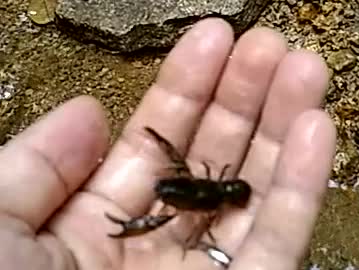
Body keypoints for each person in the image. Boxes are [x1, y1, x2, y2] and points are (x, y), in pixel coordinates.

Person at [0, 18, 336, 269]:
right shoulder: (197, 191)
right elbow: (197, 185)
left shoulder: (201, 199)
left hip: (227, 191)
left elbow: (197, 199)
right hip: (216, 190)